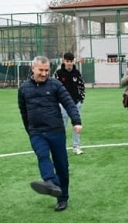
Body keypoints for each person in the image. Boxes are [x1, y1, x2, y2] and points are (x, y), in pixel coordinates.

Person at [19, 56, 82, 212]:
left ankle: (62, 198)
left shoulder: (55, 84)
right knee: (42, 155)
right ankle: (49, 181)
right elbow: (23, 112)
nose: (44, 73)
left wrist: (76, 121)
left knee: (62, 167)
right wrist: (30, 131)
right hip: (37, 132)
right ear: (33, 68)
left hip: (56, 131)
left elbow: (68, 102)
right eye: (41, 70)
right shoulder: (24, 88)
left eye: (47, 70)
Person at [54, 52, 86, 155]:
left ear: (73, 61)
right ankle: (60, 147)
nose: (69, 63)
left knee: (77, 125)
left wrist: (81, 99)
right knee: (62, 126)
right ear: (64, 61)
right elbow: (54, 88)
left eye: (71, 61)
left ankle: (76, 146)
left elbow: (82, 87)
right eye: (67, 61)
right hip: (62, 105)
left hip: (76, 104)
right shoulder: (58, 73)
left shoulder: (77, 73)